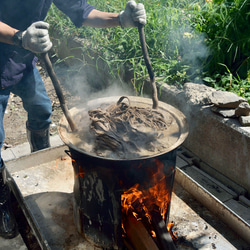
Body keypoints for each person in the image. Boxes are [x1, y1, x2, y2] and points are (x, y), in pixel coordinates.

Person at [0, 0, 146, 239]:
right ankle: (1, 201)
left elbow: (82, 11)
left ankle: (39, 155)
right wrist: (19, 37)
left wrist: (120, 19)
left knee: (42, 109)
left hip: (22, 63)